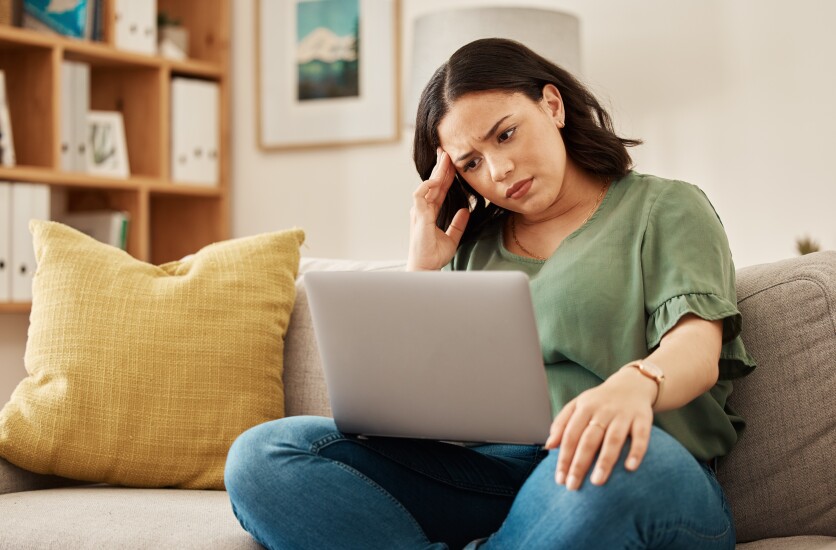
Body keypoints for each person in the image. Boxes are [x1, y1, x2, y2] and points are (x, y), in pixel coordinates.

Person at [224, 38, 756, 549]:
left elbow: (696, 350)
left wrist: (635, 384)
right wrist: (421, 272)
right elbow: (415, 408)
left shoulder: (665, 208)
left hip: (634, 471)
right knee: (263, 455)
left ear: (552, 105)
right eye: (472, 162)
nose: (499, 172)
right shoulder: (470, 250)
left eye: (505, 135)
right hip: (493, 481)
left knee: (612, 461)